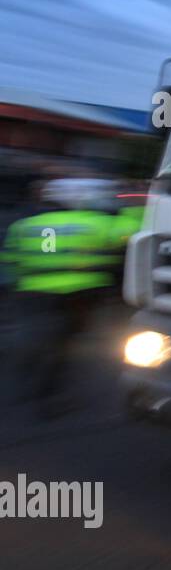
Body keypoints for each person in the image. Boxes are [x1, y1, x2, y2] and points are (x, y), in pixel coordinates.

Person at [1, 178, 123, 418]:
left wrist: (15, 286)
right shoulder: (94, 223)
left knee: (30, 336)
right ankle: (49, 397)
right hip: (77, 294)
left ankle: (24, 378)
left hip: (31, 290)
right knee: (63, 347)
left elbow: (9, 260)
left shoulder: (24, 225)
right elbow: (125, 240)